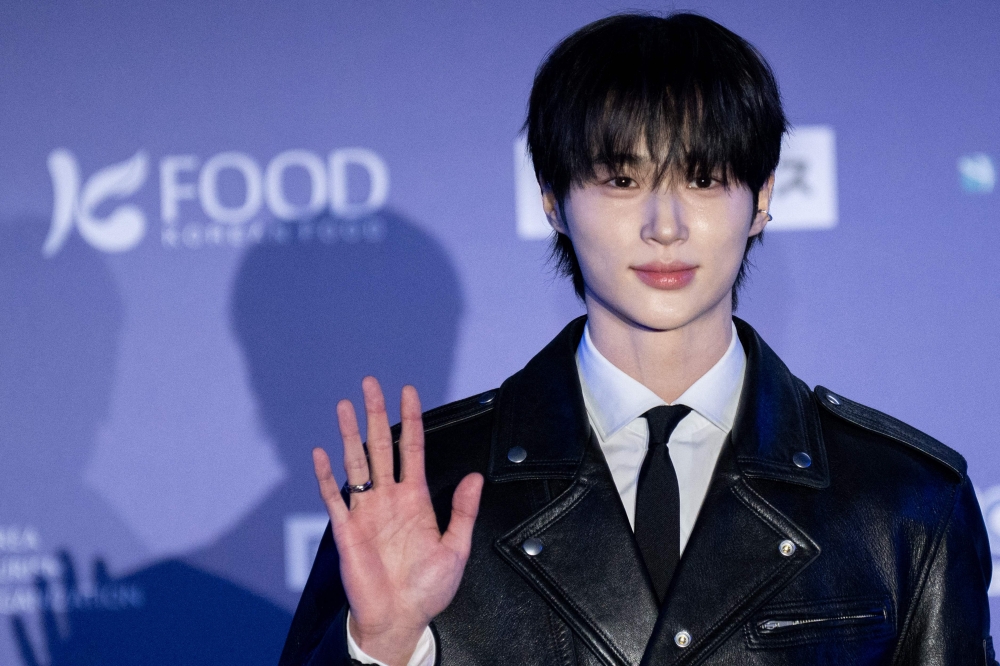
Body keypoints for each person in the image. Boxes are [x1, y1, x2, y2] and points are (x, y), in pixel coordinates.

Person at [280, 12, 996, 666]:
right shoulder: (427, 488)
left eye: (704, 178)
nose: (665, 224)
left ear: (764, 200)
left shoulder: (902, 503)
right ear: (553, 201)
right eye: (622, 179)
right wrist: (381, 647)